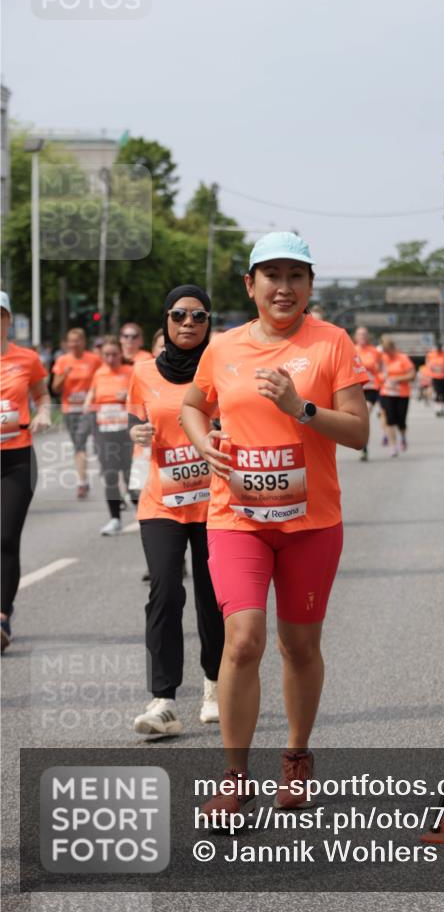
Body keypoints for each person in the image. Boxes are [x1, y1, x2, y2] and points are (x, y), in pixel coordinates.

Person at [181, 231, 369, 817]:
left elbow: (359, 432)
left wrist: (300, 408)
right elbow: (192, 405)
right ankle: (234, 777)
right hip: (236, 518)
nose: (283, 287)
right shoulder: (223, 348)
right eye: (272, 275)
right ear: (250, 284)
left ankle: (296, 755)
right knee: (242, 641)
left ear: (310, 285)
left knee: (299, 646)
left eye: (295, 276)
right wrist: (202, 444)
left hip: (311, 523)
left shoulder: (332, 342)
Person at [128, 286, 225, 736]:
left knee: (212, 597)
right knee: (165, 591)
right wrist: (137, 433)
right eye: (180, 315)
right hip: (161, 502)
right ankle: (164, 700)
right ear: (166, 320)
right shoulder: (143, 371)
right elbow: (138, 420)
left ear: (209, 323)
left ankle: (215, 684)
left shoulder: (222, 368)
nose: (189, 323)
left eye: (199, 316)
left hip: (216, 502)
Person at [1, 291, 51, 652]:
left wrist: (44, 413)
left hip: (16, 458)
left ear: (7, 319)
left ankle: (2, 616)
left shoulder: (27, 358)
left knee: (5, 537)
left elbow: (42, 396)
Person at [83, 336, 133, 536]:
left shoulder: (130, 372)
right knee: (110, 475)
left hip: (127, 431)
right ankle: (115, 519)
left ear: (121, 354)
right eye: (106, 355)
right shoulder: (99, 373)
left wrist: (128, 396)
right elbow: (92, 395)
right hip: (104, 431)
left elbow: (143, 398)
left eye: (114, 354)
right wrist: (88, 404)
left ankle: (142, 512)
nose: (110, 359)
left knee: (131, 474)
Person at [51, 328, 102, 499]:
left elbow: (102, 380)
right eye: (71, 341)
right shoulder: (63, 360)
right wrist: (64, 375)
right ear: (67, 343)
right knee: (79, 445)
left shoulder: (94, 360)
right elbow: (55, 388)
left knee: (98, 443)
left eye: (77, 340)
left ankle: (106, 470)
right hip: (70, 410)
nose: (74, 344)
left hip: (89, 409)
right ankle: (82, 482)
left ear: (83, 341)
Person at [378, 335, 415, 457]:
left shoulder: (402, 358)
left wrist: (397, 379)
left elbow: (412, 375)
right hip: (387, 393)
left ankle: (403, 437)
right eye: (384, 350)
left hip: (402, 394)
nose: (386, 353)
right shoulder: (382, 358)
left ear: (392, 348)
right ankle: (393, 446)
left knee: (401, 421)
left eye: (387, 350)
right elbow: (376, 369)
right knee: (390, 420)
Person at [353, 325, 383, 461]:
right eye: (360, 334)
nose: (362, 337)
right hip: (356, 388)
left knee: (366, 413)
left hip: (371, 388)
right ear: (355, 337)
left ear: (368, 336)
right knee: (359, 418)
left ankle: (364, 447)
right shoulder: (351, 349)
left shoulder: (374, 351)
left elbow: (381, 368)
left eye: (364, 334)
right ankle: (362, 443)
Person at [425, 341, 444, 417]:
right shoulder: (431, 354)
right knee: (437, 392)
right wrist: (433, 367)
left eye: (440, 348)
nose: (439, 350)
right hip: (435, 377)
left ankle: (442, 408)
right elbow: (427, 363)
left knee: (442, 393)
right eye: (437, 348)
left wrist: (442, 367)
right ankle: (437, 409)